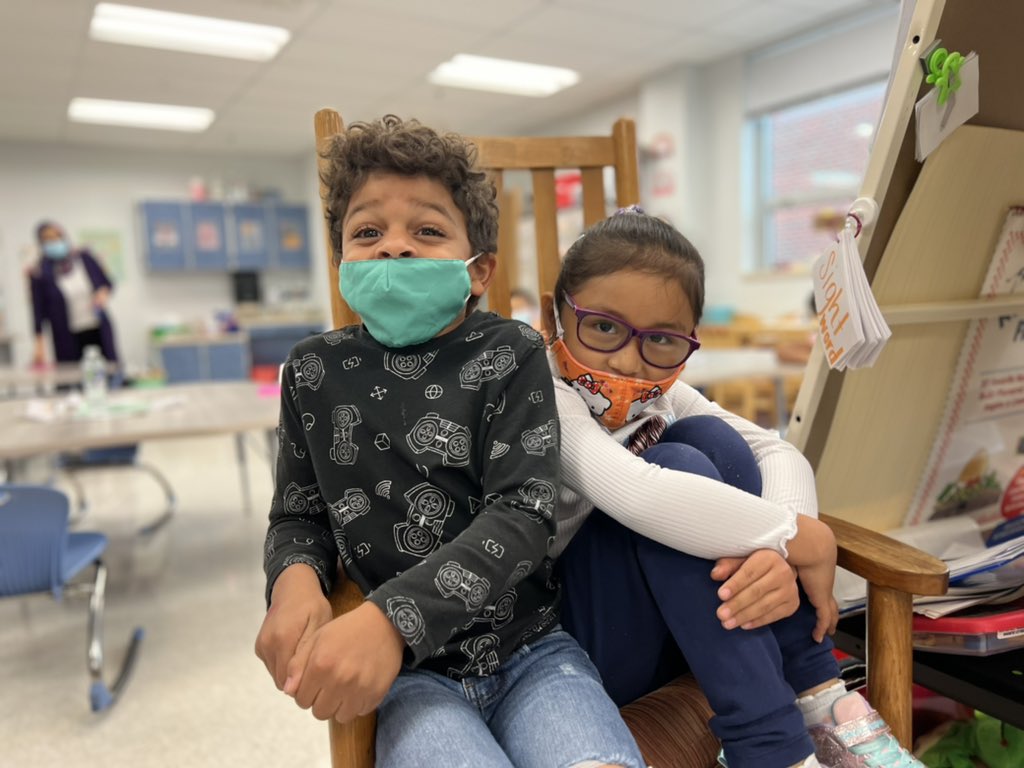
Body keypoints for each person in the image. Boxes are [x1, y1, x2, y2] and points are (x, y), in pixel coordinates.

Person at [254, 116, 646, 768]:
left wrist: (390, 619)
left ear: (478, 270)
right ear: (343, 261)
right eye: (368, 232)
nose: (395, 248)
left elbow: (523, 513)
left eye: (428, 231)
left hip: (534, 654)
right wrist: (293, 582)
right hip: (411, 679)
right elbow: (298, 514)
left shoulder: (510, 351)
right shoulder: (312, 370)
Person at [542, 207, 926, 768]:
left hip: (681, 629)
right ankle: (772, 747)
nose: (629, 359)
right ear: (557, 316)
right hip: (575, 647)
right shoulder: (541, 392)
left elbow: (778, 449)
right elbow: (635, 492)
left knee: (711, 439)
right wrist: (794, 538)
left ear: (689, 340)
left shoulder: (662, 393)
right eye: (603, 326)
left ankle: (821, 698)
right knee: (675, 463)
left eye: (663, 341)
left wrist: (777, 554)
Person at [28, 220, 120, 368]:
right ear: (41, 243)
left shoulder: (85, 258)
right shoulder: (39, 273)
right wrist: (39, 346)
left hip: (97, 326)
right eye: (49, 239)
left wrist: (102, 294)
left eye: (58, 236)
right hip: (66, 334)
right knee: (72, 376)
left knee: (108, 369)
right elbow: (38, 313)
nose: (55, 241)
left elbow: (107, 283)